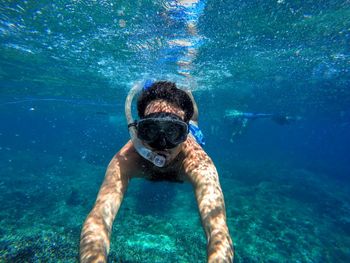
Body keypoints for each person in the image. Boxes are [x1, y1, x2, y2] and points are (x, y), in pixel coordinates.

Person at [79, 81, 234, 263]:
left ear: (184, 135)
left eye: (173, 132)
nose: (162, 144)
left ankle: (185, 85)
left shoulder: (197, 161)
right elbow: (99, 217)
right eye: (151, 131)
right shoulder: (127, 159)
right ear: (138, 131)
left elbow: (218, 230)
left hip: (192, 130)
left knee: (193, 118)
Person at [223, 109, 299, 143]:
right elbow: (240, 126)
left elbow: (242, 125)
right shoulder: (236, 119)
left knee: (268, 116)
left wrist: (233, 137)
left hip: (250, 116)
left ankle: (287, 117)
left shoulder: (237, 119)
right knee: (268, 116)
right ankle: (287, 118)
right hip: (251, 116)